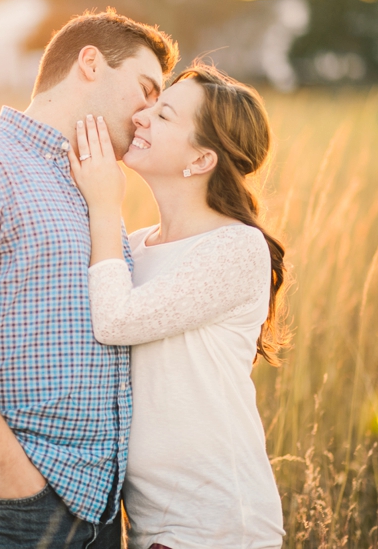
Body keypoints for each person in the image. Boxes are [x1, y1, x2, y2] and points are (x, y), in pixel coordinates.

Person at [0, 11, 179, 548]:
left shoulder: (94, 184)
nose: (149, 116)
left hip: (99, 499)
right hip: (15, 494)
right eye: (145, 91)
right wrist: (12, 469)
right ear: (91, 63)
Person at [67, 64, 288, 549]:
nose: (143, 115)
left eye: (164, 114)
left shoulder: (234, 248)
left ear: (201, 158)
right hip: (152, 522)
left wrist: (104, 205)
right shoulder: (136, 246)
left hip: (216, 523)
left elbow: (115, 321)